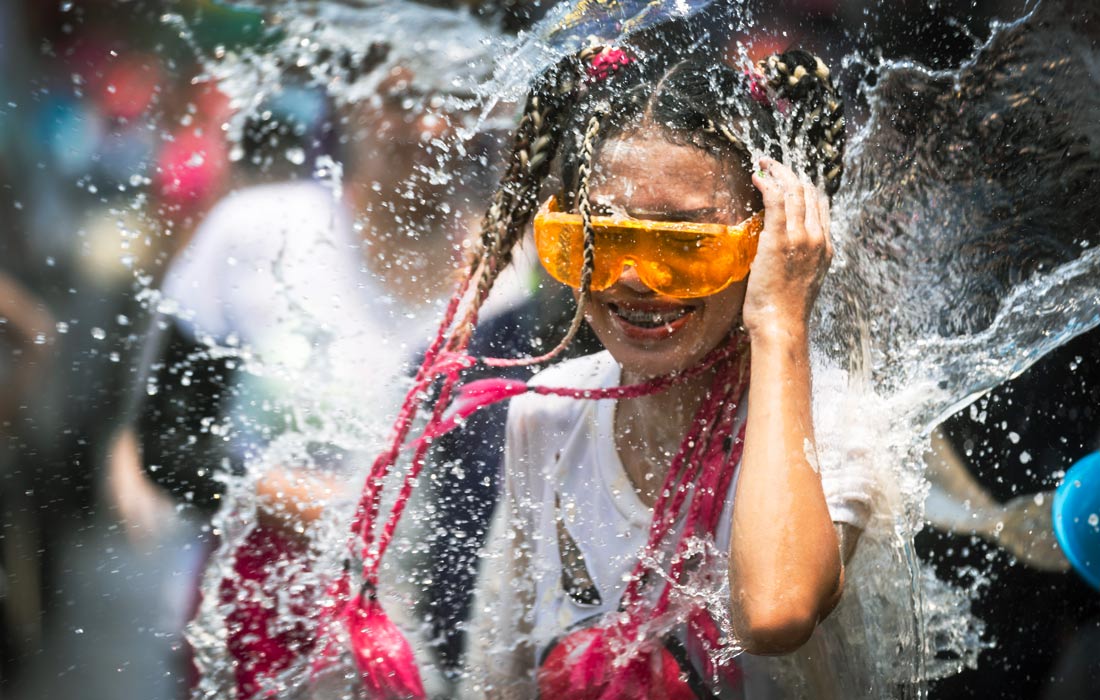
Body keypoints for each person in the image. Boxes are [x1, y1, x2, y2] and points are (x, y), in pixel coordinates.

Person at [330, 26, 872, 699]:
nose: (637, 280)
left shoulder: (838, 424)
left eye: (685, 243)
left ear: (769, 241)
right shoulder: (545, 415)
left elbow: (774, 613)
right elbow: (496, 677)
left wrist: (781, 320)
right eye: (600, 238)